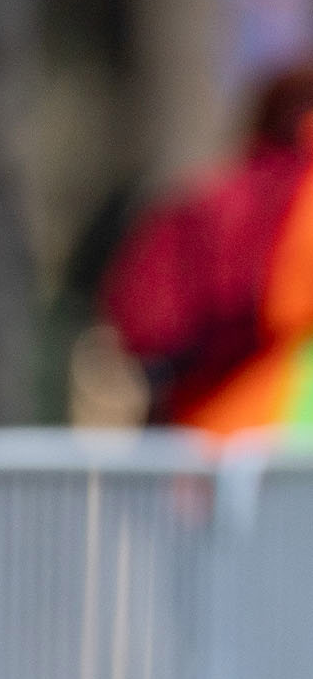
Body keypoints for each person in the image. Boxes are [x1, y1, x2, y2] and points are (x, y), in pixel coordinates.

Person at [99, 60, 313, 436]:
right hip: (274, 423)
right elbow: (285, 306)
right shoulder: (290, 194)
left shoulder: (215, 193)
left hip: (201, 424)